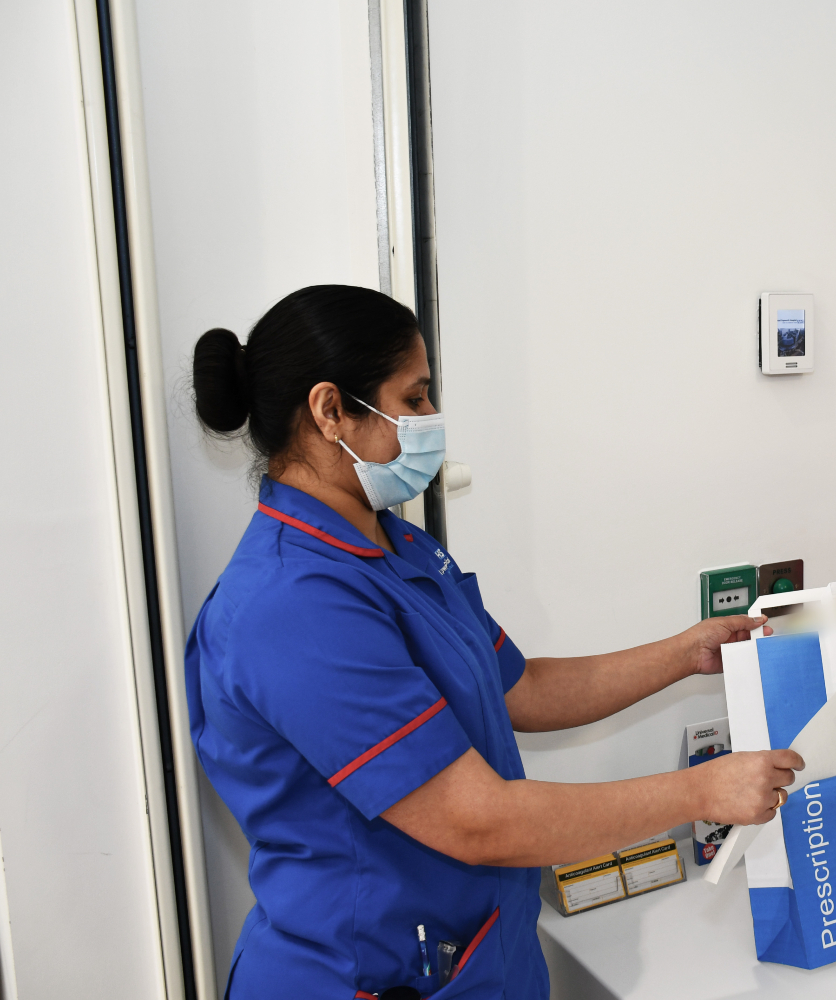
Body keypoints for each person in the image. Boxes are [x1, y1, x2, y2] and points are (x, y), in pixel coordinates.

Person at [185, 285, 802, 998]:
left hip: (476, 960)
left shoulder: (394, 544)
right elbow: (476, 821)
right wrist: (702, 790)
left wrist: (683, 652)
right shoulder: (290, 607)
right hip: (366, 975)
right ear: (331, 412)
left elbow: (520, 688)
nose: (429, 421)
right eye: (412, 400)